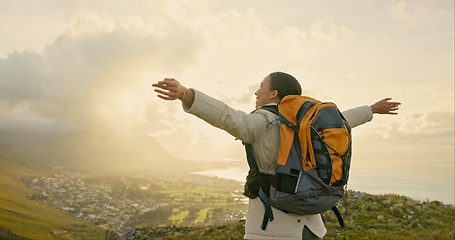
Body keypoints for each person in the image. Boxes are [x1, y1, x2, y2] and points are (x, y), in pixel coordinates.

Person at [152, 72, 400, 240]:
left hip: (271, 228)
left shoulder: (264, 122)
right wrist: (371, 110)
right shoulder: (309, 123)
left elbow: (229, 118)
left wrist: (187, 94)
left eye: (261, 87)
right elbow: (343, 121)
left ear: (274, 94)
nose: (256, 92)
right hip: (312, 226)